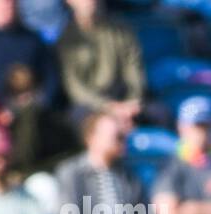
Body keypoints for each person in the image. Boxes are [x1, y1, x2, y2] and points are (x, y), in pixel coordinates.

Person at [54, 111, 149, 214]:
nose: (121, 138)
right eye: (115, 135)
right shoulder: (71, 174)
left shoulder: (130, 177)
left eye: (122, 135)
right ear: (91, 138)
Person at [57, 0, 147, 131]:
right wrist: (108, 107)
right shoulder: (66, 40)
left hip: (124, 99)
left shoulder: (122, 31)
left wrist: (133, 100)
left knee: (159, 113)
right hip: (89, 106)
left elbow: (134, 71)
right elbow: (75, 88)